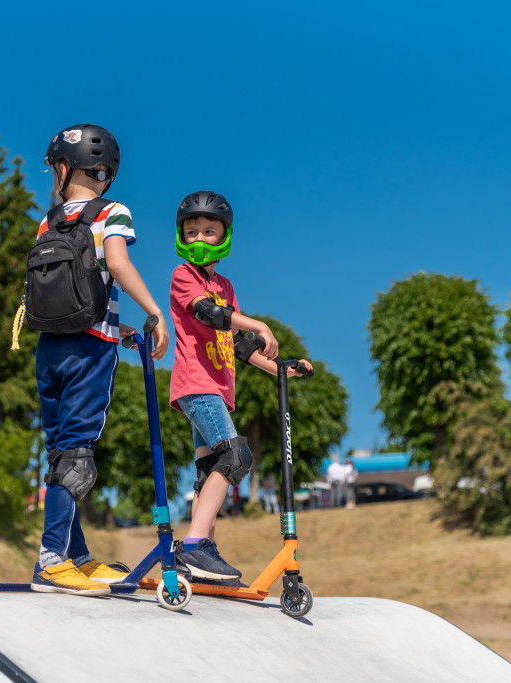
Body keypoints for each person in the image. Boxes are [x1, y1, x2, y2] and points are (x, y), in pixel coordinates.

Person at [30, 124, 168, 596]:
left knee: (60, 454)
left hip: (48, 348)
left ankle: (75, 558)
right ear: (105, 174)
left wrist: (118, 325)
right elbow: (116, 264)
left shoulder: (49, 221)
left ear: (66, 168)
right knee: (78, 457)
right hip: (89, 352)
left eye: (53, 168)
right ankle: (51, 559)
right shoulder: (114, 211)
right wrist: (153, 312)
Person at [168, 190, 310, 584]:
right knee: (236, 457)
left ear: (224, 236)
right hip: (198, 384)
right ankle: (196, 547)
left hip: (213, 390)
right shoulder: (184, 276)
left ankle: (200, 557)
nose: (198, 238)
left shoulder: (226, 286)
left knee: (209, 470)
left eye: (208, 232)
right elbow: (211, 315)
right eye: (191, 231)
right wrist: (259, 324)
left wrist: (280, 368)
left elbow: (237, 344)